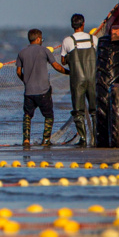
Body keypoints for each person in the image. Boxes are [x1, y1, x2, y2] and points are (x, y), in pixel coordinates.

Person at [16, 29, 68, 148]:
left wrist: (25, 80)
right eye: (42, 40)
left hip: (29, 91)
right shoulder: (44, 51)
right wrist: (68, 72)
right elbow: (56, 66)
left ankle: (26, 140)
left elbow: (18, 71)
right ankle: (45, 140)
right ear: (38, 39)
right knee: (48, 115)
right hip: (43, 91)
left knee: (27, 115)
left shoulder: (22, 53)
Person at [59, 15, 99, 146]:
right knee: (95, 110)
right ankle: (96, 137)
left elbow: (63, 61)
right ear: (83, 24)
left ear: (72, 25)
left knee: (78, 110)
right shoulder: (94, 39)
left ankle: (82, 139)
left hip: (77, 80)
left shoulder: (67, 41)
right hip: (93, 78)